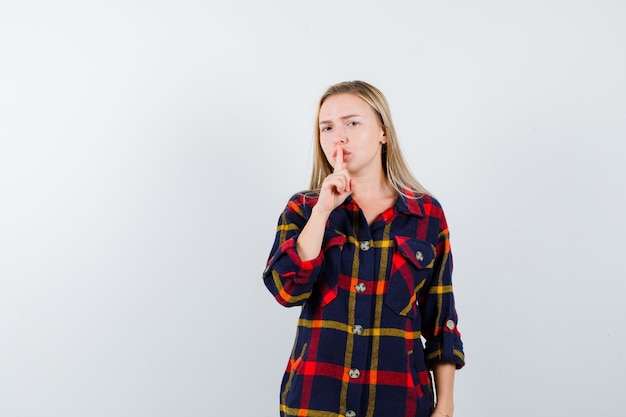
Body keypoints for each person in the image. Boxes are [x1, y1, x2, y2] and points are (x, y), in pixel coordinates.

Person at [263, 80, 464, 417]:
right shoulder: (303, 209)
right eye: (327, 127)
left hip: (399, 403)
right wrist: (323, 211)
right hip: (315, 403)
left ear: (383, 132)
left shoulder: (426, 215)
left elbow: (441, 318)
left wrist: (444, 406)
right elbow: (286, 290)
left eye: (352, 123)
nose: (338, 137)